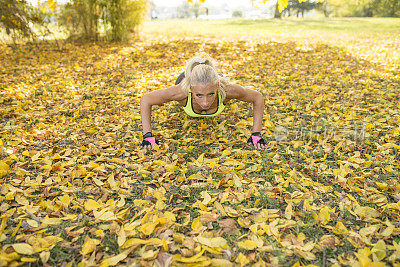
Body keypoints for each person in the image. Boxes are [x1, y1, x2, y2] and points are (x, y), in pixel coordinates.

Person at [140, 53, 266, 150]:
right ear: (190, 89)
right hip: (186, 78)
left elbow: (258, 97)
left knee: (212, 80)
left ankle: (210, 80)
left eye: (211, 94)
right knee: (187, 79)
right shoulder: (180, 92)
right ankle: (198, 81)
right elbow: (146, 99)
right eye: (199, 95)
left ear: (217, 87)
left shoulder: (227, 90)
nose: (205, 102)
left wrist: (256, 134)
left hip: (212, 80)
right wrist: (147, 135)